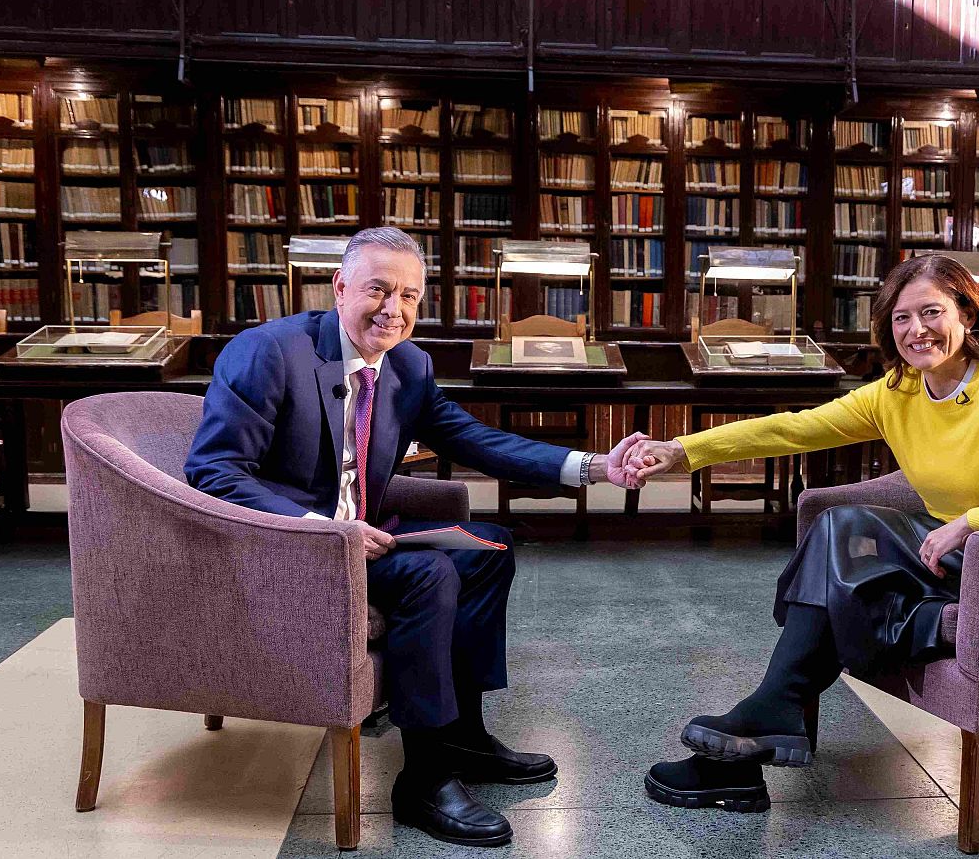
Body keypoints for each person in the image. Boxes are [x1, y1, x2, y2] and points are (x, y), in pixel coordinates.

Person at [185, 227, 646, 848]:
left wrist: (593, 466)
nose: (393, 310)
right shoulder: (269, 352)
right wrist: (324, 530)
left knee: (487, 546)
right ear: (339, 287)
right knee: (429, 573)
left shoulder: (408, 365)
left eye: (409, 296)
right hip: (290, 548)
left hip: (365, 537)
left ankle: (463, 737)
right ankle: (423, 779)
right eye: (378, 289)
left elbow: (474, 438)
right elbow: (214, 470)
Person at [622, 253, 979, 813]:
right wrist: (682, 451)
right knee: (841, 537)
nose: (917, 329)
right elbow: (795, 429)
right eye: (901, 318)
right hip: (939, 553)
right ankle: (755, 738)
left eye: (931, 312)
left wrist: (972, 522)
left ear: (970, 315)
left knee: (844, 532)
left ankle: (765, 719)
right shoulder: (899, 390)